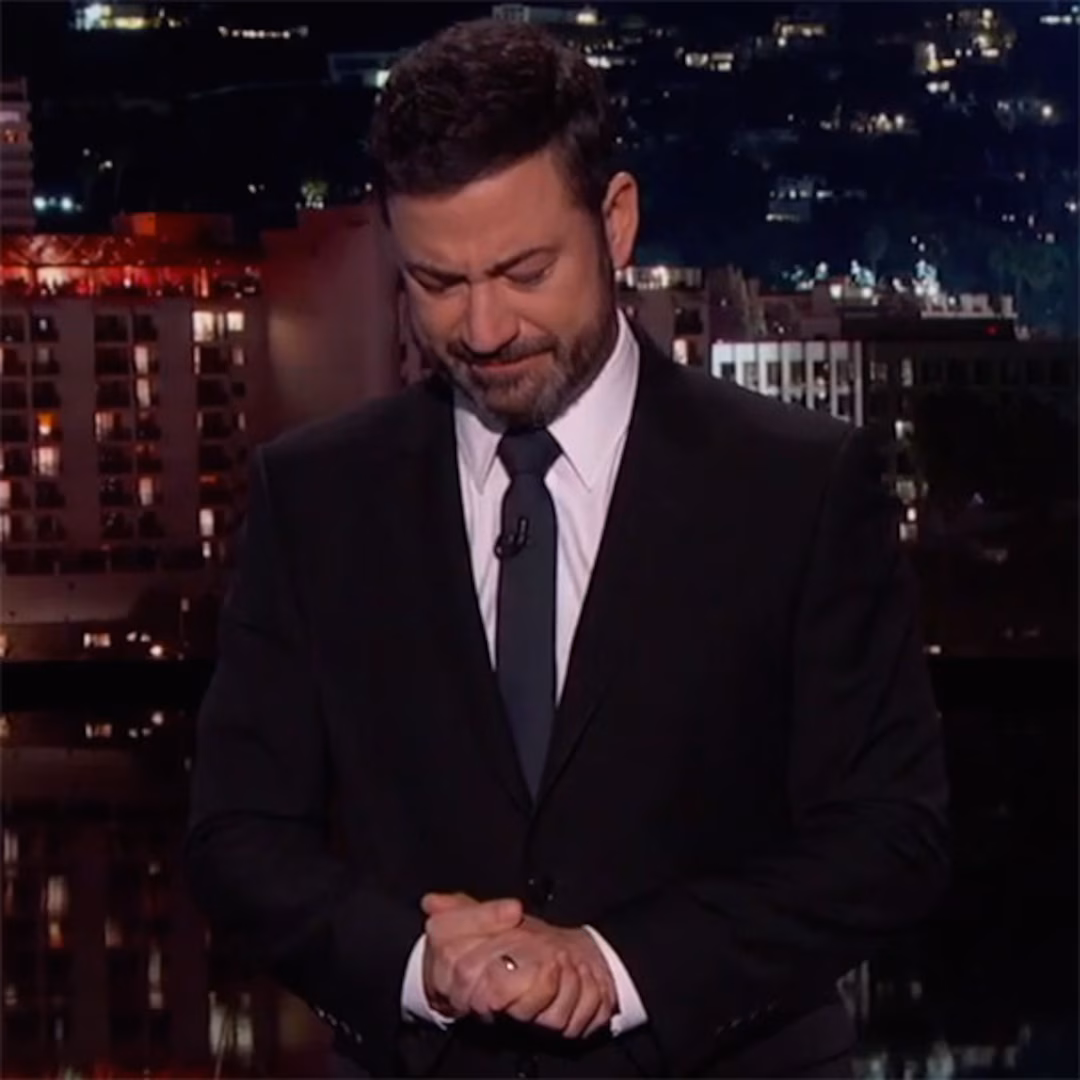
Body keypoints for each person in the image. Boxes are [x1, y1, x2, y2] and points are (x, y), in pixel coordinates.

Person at [185, 17, 950, 1079]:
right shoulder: (314, 497)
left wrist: (622, 966)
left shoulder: (798, 486)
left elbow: (889, 838)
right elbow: (236, 838)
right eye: (437, 283)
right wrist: (413, 963)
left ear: (617, 222)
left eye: (524, 270)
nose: (484, 329)